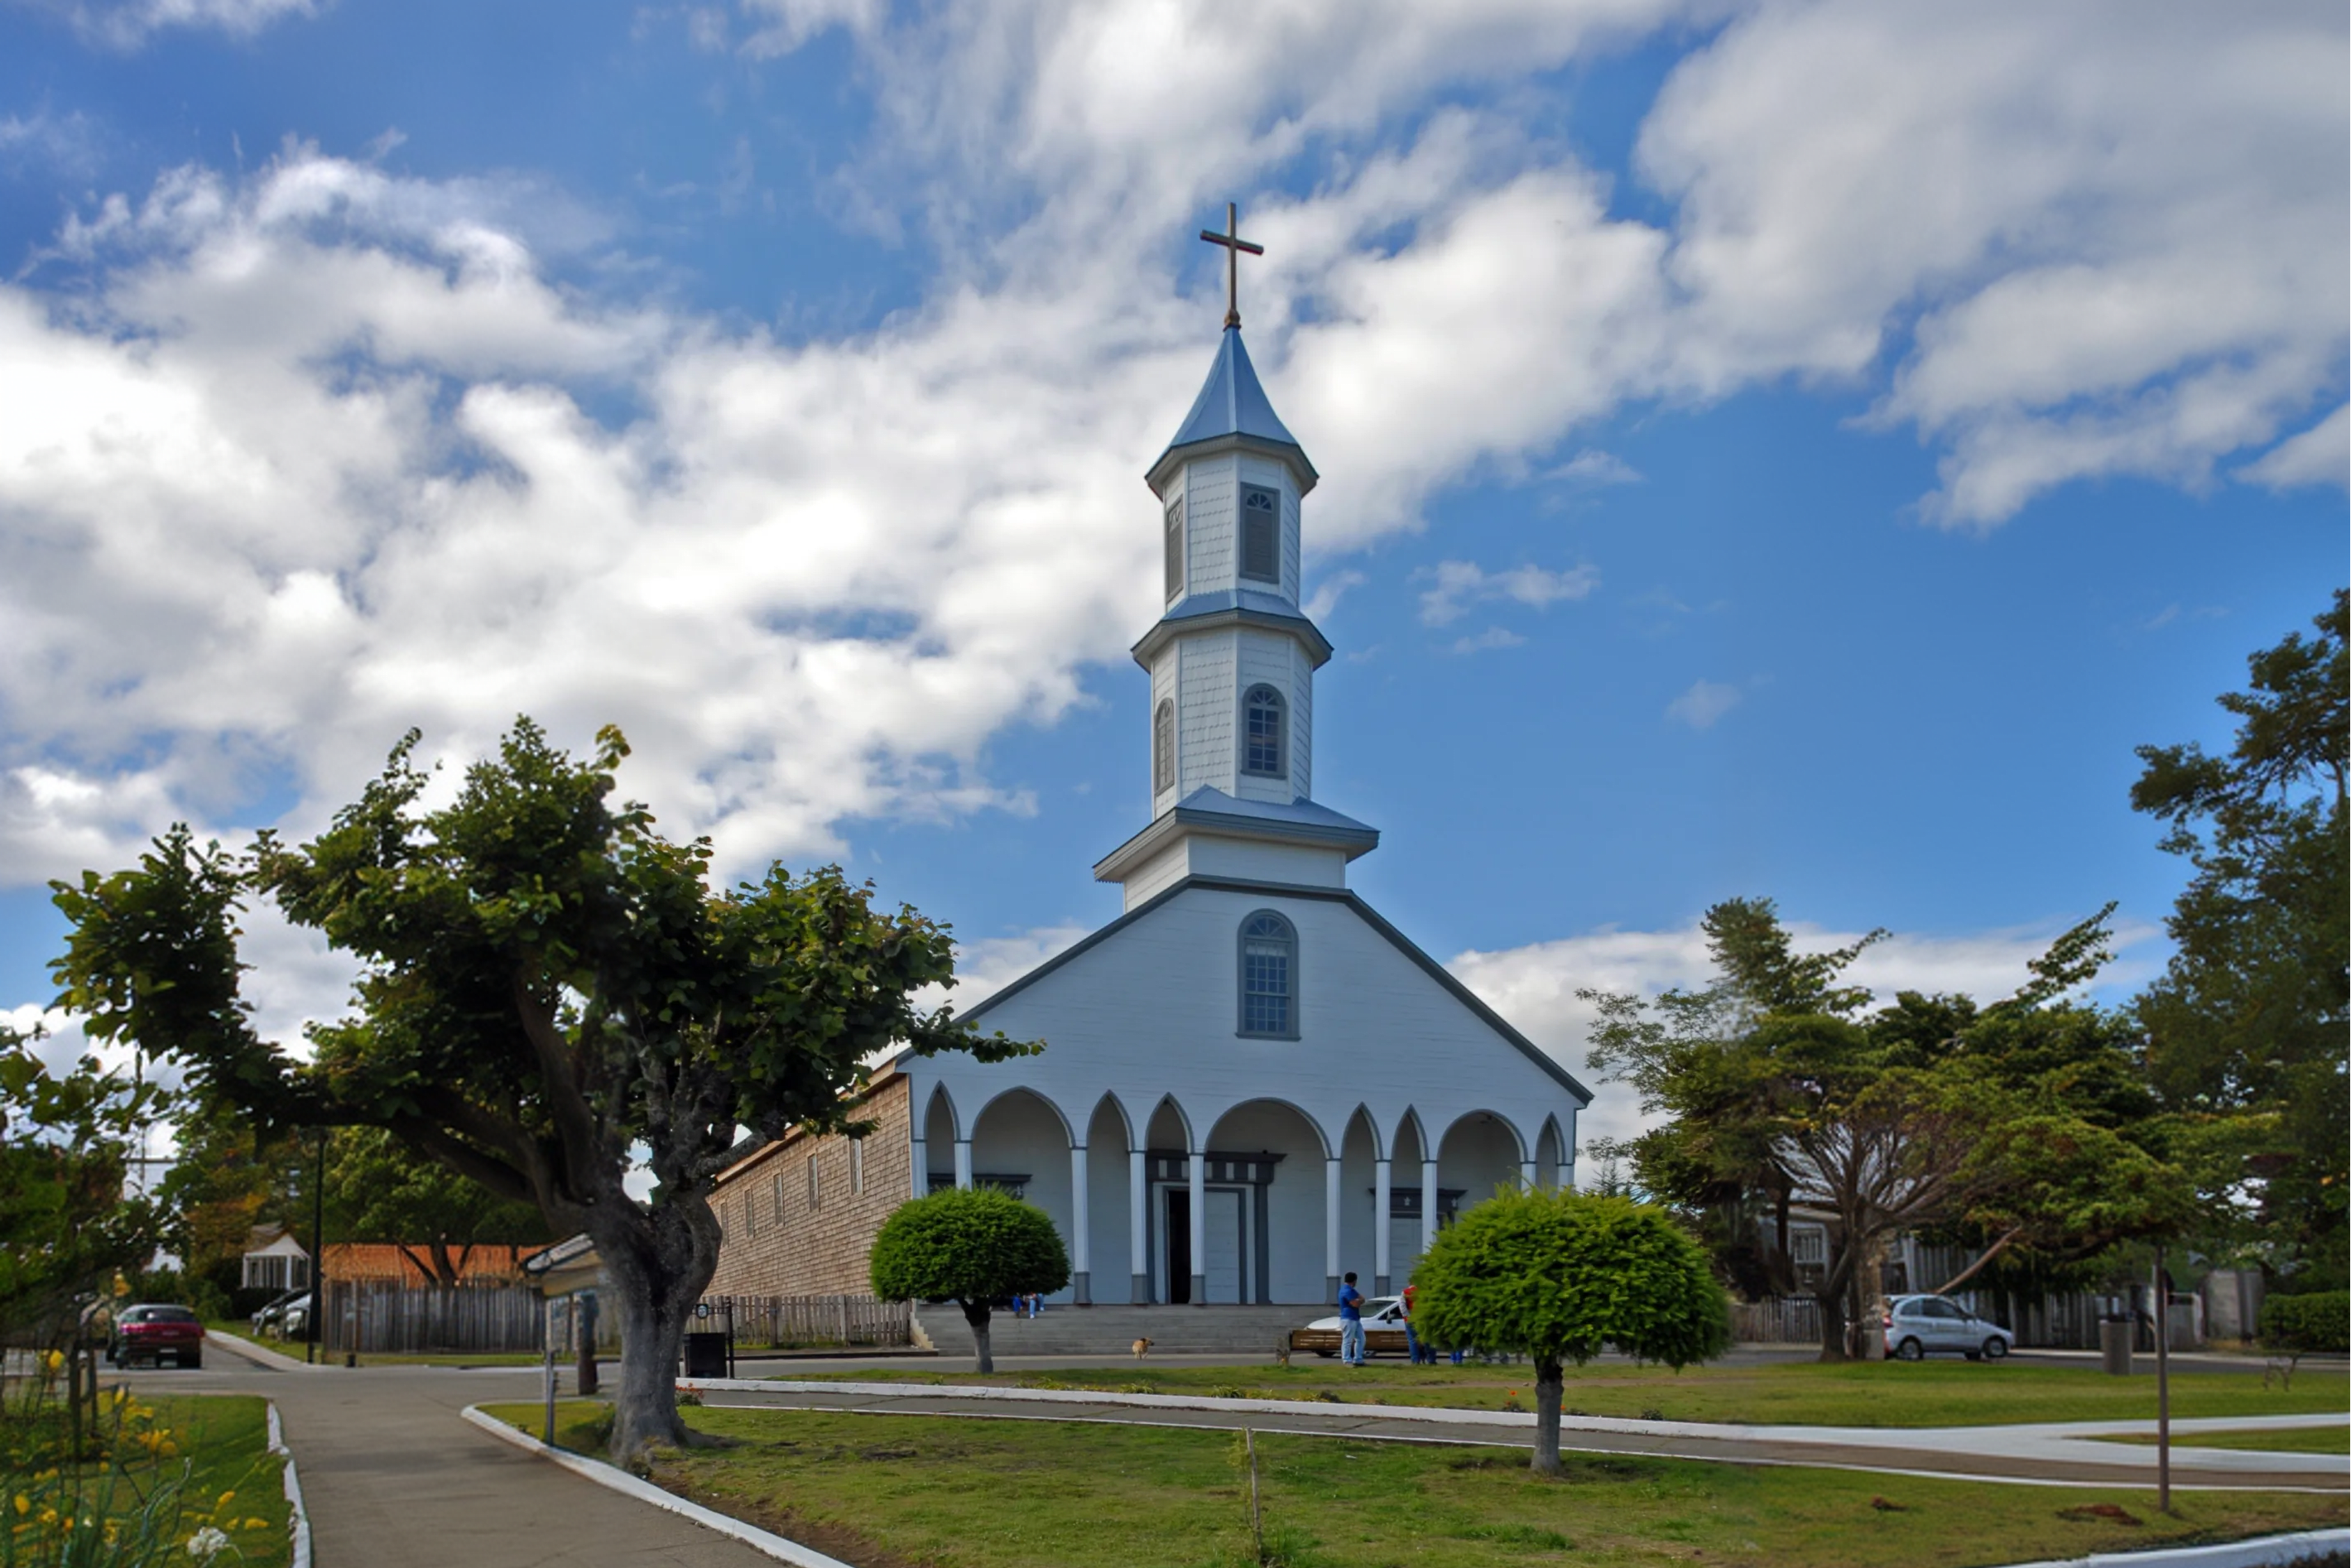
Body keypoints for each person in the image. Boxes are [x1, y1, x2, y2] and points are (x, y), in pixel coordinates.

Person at [1336, 1272, 1366, 1367]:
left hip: (1355, 1318)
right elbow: (1355, 1303)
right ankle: (1347, 1360)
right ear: (1354, 1281)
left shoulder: (1351, 1290)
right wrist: (1359, 1301)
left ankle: (1358, 1359)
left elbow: (1361, 1299)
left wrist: (1359, 1300)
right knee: (1348, 1340)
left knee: (1361, 1338)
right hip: (1348, 1318)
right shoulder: (1347, 1291)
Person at [1401, 1281, 1426, 1364]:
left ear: (1409, 1283)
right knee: (1425, 1339)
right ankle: (1430, 1360)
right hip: (1422, 1319)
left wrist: (1407, 1316)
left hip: (1410, 1319)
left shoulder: (1405, 1292)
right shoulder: (1422, 1292)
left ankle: (1415, 1361)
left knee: (1412, 1340)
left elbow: (1402, 1306)